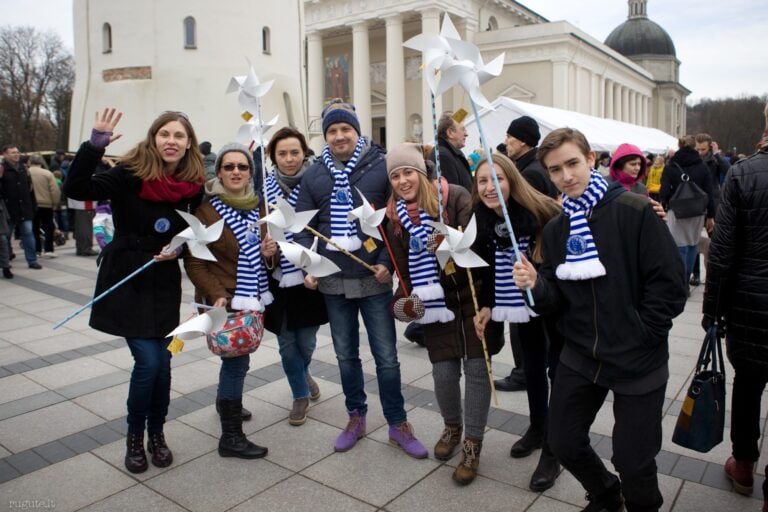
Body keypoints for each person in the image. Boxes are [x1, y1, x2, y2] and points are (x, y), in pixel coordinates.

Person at [512, 128, 687, 511]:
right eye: (555, 170)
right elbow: (555, 300)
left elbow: (671, 285)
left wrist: (643, 331)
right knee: (563, 441)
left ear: (592, 159)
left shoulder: (636, 210)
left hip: (637, 357)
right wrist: (536, 285)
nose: (566, 176)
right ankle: (607, 495)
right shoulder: (558, 228)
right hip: (581, 354)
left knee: (634, 462)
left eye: (573, 163)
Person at [64, 108, 205, 474]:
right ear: (154, 138)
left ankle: (157, 435)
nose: (171, 141)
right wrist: (94, 145)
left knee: (164, 364)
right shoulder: (129, 173)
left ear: (188, 143)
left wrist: (179, 248)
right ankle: (134, 437)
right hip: (127, 275)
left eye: (179, 135)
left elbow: (193, 232)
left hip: (162, 281)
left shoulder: (193, 184)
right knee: (150, 362)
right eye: (165, 134)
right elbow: (77, 190)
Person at [295, 98, 427, 458]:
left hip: (374, 280)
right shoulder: (314, 173)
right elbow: (304, 226)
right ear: (326, 135)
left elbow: (393, 219)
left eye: (345, 129)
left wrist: (386, 259)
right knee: (345, 355)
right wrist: (311, 263)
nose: (339, 136)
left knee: (386, 357)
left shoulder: (380, 167)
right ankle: (356, 416)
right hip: (333, 282)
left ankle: (398, 423)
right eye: (333, 131)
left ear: (357, 131)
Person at [384, 143, 503, 484]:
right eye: (395, 175)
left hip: (471, 297)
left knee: (478, 373)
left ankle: (472, 443)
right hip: (436, 308)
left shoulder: (456, 197)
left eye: (408, 172)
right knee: (444, 376)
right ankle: (452, 427)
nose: (403, 180)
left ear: (422, 172)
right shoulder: (394, 219)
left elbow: (474, 244)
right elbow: (403, 272)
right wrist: (403, 304)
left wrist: (436, 233)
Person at [472, 153, 563, 491]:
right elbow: (488, 270)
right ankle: (538, 428)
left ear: (512, 180)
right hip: (518, 306)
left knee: (558, 371)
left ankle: (554, 451)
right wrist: (487, 305)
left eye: (497, 179)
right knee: (533, 368)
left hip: (553, 304)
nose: (489, 187)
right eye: (482, 180)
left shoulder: (542, 212)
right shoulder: (482, 219)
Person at [183, 143, 270, 459]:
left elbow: (265, 258)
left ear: (250, 172)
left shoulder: (260, 208)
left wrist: (269, 255)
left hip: (254, 297)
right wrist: (217, 293)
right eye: (229, 166)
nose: (236, 172)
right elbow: (195, 262)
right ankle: (230, 436)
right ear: (218, 172)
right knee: (235, 363)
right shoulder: (206, 212)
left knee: (239, 360)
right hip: (225, 299)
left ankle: (226, 404)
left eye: (242, 167)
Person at [703, 103, 768, 511]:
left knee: (748, 384)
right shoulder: (743, 171)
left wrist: (712, 312)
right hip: (753, 298)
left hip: (751, 302)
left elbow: (722, 255)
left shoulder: (744, 172)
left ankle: (743, 464)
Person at [262, 127, 328, 426]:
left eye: (294, 152)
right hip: (279, 279)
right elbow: (259, 233)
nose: (289, 159)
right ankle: (300, 394)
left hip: (310, 275)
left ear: (304, 153)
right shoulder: (263, 190)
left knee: (307, 341)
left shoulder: (317, 183)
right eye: (282, 154)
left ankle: (304, 372)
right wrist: (267, 251)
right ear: (272, 157)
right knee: (287, 342)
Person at [496, 115, 559, 393]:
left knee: (524, 318)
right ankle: (529, 368)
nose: (506, 141)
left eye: (510, 136)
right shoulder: (530, 166)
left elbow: (532, 215)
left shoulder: (530, 172)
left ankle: (524, 371)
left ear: (522, 140)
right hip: (533, 254)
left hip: (529, 254)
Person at [660, 135, 715, 288]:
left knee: (679, 246)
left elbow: (664, 192)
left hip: (676, 211)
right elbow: (709, 192)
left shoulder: (671, 165)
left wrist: (665, 204)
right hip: (697, 212)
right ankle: (685, 280)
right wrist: (711, 215)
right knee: (692, 245)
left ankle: (679, 282)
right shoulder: (702, 165)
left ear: (679, 145)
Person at [692, 133, 730, 286]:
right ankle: (695, 274)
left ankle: (713, 274)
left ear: (709, 147)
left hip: (712, 203)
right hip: (695, 204)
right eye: (698, 149)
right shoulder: (693, 159)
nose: (700, 152)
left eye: (703, 149)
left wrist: (716, 154)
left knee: (715, 242)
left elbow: (728, 170)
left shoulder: (714, 159)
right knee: (693, 240)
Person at [0, 145, 41, 269]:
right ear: (5, 154)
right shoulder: (2, 169)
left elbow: (30, 189)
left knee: (28, 233)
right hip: (8, 209)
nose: (16, 155)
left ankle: (32, 260)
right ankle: (5, 261)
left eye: (17, 152)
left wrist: (33, 205)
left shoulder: (23, 168)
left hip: (25, 208)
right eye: (12, 153)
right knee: (6, 236)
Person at [428, 113, 473, 191]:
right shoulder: (442, 156)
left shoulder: (451, 154)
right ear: (450, 133)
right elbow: (451, 195)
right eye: (462, 129)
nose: (466, 134)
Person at [28, 155, 61, 258]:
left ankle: (37, 250)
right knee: (48, 227)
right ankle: (48, 249)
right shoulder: (47, 174)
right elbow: (55, 190)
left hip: (31, 204)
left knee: (34, 228)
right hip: (46, 204)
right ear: (41, 162)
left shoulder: (26, 172)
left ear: (30, 161)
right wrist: (55, 203)